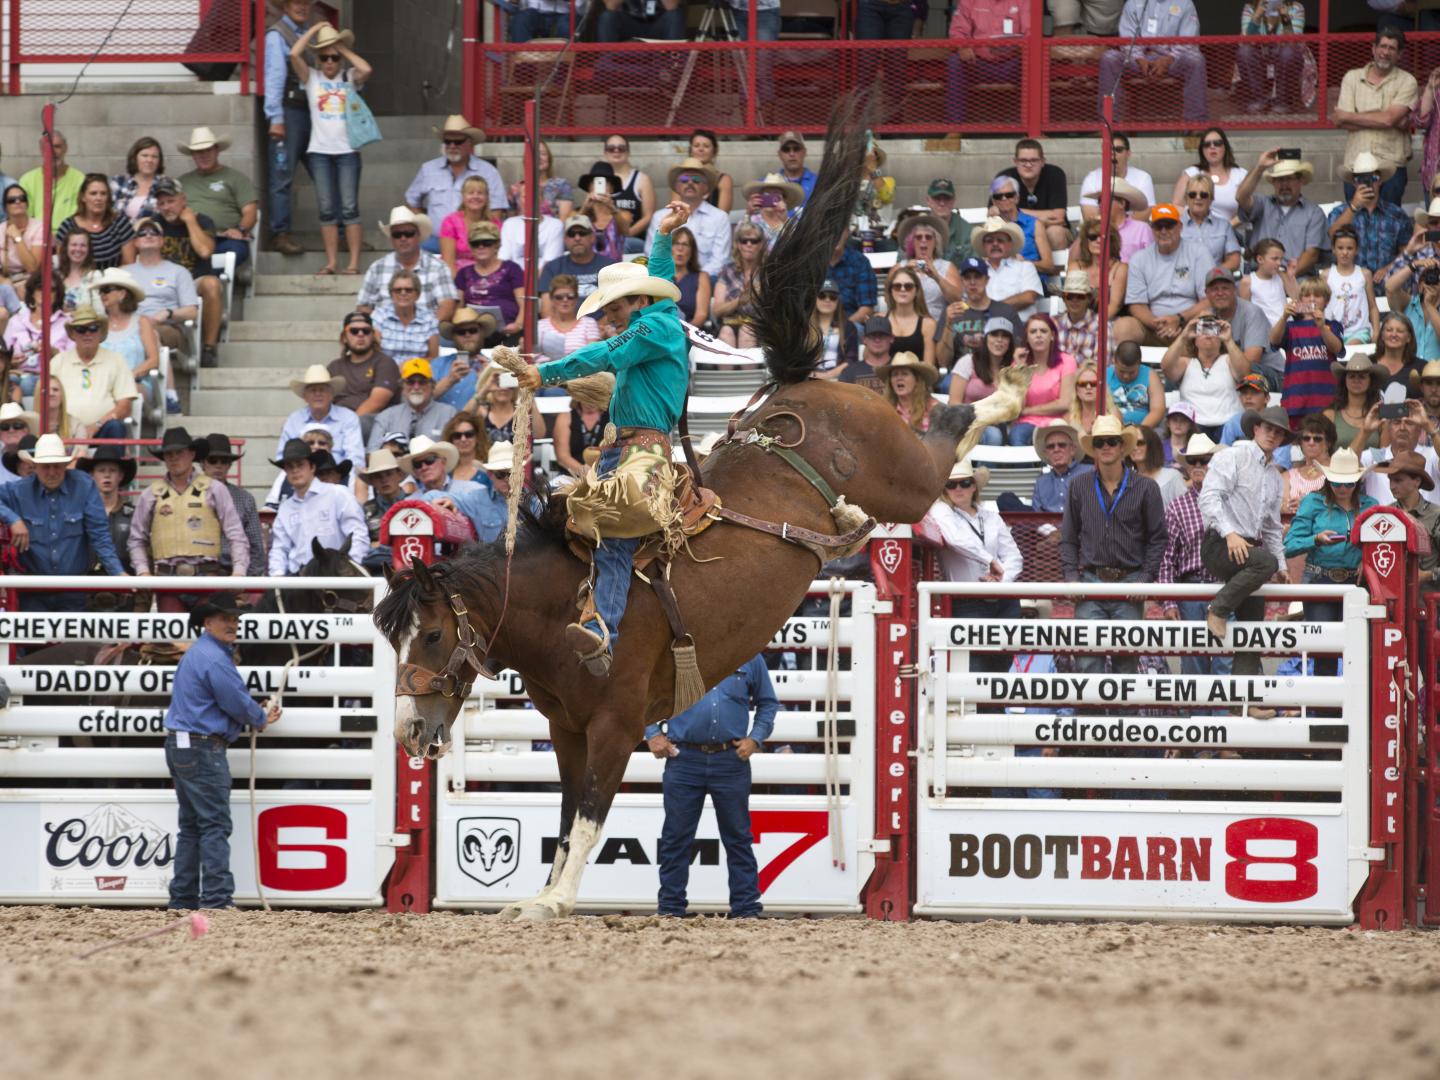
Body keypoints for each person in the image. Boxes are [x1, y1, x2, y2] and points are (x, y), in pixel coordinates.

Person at [514, 201, 692, 674]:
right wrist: (662, 232)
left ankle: (602, 629)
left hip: (641, 455)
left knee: (610, 532)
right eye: (609, 308)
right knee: (576, 523)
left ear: (638, 301)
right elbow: (659, 276)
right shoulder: (660, 317)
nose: (611, 315)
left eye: (615, 306)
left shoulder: (651, 328)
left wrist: (544, 373)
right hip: (625, 452)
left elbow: (603, 354)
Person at [163, 591, 281, 911]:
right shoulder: (215, 658)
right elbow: (234, 699)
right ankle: (216, 898)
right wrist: (259, 717)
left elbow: (228, 699)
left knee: (192, 825)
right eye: (227, 619)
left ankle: (183, 898)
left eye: (235, 619)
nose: (233, 624)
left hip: (182, 743)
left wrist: (252, 714)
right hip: (202, 747)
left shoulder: (201, 654)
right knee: (214, 824)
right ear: (208, 622)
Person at [644, 652, 776, 920]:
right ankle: (671, 908)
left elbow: (768, 703)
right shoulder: (678, 654)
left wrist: (756, 739)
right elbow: (646, 693)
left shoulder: (749, 655)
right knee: (676, 837)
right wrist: (652, 733)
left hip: (726, 758)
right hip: (686, 758)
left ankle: (746, 908)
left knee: (737, 836)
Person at [1059, 416, 1167, 675]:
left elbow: (1158, 538)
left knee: (1127, 660)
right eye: (1099, 442)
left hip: (1130, 582)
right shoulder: (1078, 485)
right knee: (1086, 660)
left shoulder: (1147, 488)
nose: (1105, 446)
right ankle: (1089, 716)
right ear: (1093, 449)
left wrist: (1145, 578)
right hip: (1090, 580)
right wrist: (1072, 577)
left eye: (1112, 441)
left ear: (1122, 447)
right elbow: (1069, 537)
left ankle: (1121, 715)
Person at [1198, 405, 1292, 679]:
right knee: (1266, 562)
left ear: (1283, 439)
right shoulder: (1233, 457)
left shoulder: (1274, 477)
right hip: (1220, 543)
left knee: (1252, 628)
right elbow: (1208, 499)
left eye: (1278, 432)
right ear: (1256, 429)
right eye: (1268, 428)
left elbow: (1273, 527)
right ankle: (1218, 608)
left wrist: (1283, 566)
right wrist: (1230, 534)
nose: (1272, 435)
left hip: (1246, 549)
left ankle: (1245, 701)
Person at [0, 434, 126, 610]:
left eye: (57, 466)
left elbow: (100, 535)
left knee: (71, 637)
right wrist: (13, 519)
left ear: (66, 466)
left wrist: (118, 573)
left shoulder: (84, 486)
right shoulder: (19, 490)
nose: (52, 472)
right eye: (46, 466)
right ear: (34, 466)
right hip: (32, 590)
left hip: (73, 589)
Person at [918, 456, 1023, 666]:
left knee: (1002, 665)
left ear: (974, 486)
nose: (959, 489)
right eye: (951, 484)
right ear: (945, 489)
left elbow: (1014, 557)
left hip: (1003, 598)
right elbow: (956, 539)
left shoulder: (991, 516)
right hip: (967, 601)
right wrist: (990, 560)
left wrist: (1000, 581)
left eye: (965, 483)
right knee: (973, 666)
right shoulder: (940, 511)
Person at [129, 428, 249, 610]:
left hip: (206, 576)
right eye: (169, 454)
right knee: (172, 636)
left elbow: (236, 534)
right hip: (167, 579)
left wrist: (239, 572)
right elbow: (137, 538)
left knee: (208, 630)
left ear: (192, 454)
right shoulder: (150, 494)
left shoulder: (215, 489)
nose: (174, 458)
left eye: (179, 452)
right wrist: (143, 571)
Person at [1284, 449, 1376, 676]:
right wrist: (1315, 539)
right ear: (1328, 479)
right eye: (1337, 483)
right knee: (1324, 651)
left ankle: (1355, 710)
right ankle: (1325, 711)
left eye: (1349, 484)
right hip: (1320, 579)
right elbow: (1291, 544)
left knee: (1359, 650)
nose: (1343, 489)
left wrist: (1366, 559)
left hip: (1356, 582)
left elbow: (1380, 544)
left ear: (1358, 481)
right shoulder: (1312, 502)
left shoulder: (1371, 505)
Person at [289, 23, 371, 277]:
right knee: (327, 209)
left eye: (333, 57)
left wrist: (342, 50)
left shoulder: (349, 78)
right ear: (318, 58)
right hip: (320, 151)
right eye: (324, 57)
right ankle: (332, 262)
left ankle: (354, 264)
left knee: (349, 208)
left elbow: (367, 69)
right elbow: (293, 55)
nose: (329, 62)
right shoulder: (312, 78)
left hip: (347, 151)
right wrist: (315, 30)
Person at [1157, 433, 1230, 676]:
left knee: (1225, 659)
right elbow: (1167, 558)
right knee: (1194, 661)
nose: (1198, 466)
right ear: (1187, 467)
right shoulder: (1177, 506)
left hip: (1226, 587)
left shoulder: (1231, 502)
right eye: (1193, 461)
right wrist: (1168, 602)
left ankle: (1221, 715)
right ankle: (1196, 714)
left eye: (1204, 460)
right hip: (1192, 589)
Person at [1335, 27, 1419, 207]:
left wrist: (1351, 115)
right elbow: (1343, 122)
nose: (1385, 52)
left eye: (1391, 48)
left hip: (1392, 165)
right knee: (1355, 224)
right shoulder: (1352, 78)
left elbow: (1388, 119)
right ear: (1373, 48)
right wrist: (1387, 119)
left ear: (1400, 54)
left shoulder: (1407, 81)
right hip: (1355, 166)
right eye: (1382, 46)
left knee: (1388, 225)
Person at [146, 178, 224, 367]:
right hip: (161, 284)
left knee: (212, 284)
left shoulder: (202, 221)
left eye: (171, 201)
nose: (166, 207)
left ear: (183, 200)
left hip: (193, 281)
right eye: (161, 203)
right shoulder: (153, 225)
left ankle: (209, 348)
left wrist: (189, 221)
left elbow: (205, 251)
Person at [404, 114, 509, 254]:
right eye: (447, 141)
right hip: (436, 240)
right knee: (413, 253)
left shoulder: (488, 171)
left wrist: (483, 236)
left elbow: (497, 211)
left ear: (470, 143)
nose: (452, 146)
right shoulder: (428, 169)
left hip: (475, 242)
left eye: (458, 141)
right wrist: (425, 225)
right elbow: (411, 201)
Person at [267, 438, 369, 574]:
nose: (295, 470)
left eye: (300, 465)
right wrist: (277, 577)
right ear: (285, 471)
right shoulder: (285, 508)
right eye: (290, 467)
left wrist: (349, 568)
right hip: (299, 580)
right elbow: (279, 549)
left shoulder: (337, 494)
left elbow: (357, 534)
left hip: (336, 576)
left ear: (312, 467)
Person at [1098, 0, 1206, 125]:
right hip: (1139, 60)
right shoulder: (1133, 3)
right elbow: (1127, 38)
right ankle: (1108, 126)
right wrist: (1139, 59)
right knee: (1109, 58)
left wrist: (1169, 59)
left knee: (1196, 59)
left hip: (1173, 61)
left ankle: (1195, 128)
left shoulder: (1185, 3)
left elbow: (1188, 41)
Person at [263, 0, 316, 256]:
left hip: (311, 112)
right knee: (282, 175)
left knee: (324, 172)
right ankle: (280, 233)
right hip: (289, 110)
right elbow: (274, 76)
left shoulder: (306, 34)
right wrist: (276, 118)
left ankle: (339, 232)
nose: (302, 7)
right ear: (285, 7)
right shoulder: (277, 35)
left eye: (306, 2)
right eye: (296, 2)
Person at [1124, 204, 1215, 348]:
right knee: (1123, 327)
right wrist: (1160, 325)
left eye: (1169, 226)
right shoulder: (1139, 259)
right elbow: (1136, 305)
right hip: (1153, 328)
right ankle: (1125, 370)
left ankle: (1206, 368)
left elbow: (1209, 299)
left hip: (1189, 324)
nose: (1164, 231)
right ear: (1152, 229)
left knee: (1206, 317)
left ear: (1180, 227)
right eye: (1158, 227)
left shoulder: (1199, 252)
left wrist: (1179, 319)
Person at [94, 266, 178, 416]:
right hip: (102, 383)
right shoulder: (98, 324)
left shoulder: (141, 322)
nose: (102, 294)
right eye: (100, 290)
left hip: (136, 383)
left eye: (106, 289)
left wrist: (127, 377)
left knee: (123, 393)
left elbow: (153, 360)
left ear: (122, 294)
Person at [356, 207, 459, 326]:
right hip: (384, 337)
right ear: (391, 239)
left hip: (426, 334)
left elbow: (447, 305)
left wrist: (425, 330)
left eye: (408, 233)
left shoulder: (438, 267)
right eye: (397, 234)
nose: (403, 238)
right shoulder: (377, 268)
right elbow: (362, 306)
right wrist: (381, 327)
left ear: (418, 236)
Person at [1235, 152, 1330, 278]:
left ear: (1300, 181)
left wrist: (1284, 280)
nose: (1284, 185)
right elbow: (1241, 197)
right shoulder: (1262, 204)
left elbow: (1311, 255)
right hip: (1259, 276)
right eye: (1279, 179)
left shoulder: (1313, 212)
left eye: (1289, 179)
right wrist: (1259, 167)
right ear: (1273, 183)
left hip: (1297, 277)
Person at [175, 126, 257, 269]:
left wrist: (239, 229)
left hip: (225, 238)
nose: (203, 155)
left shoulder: (236, 178)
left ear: (217, 150)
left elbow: (250, 212)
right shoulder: (182, 182)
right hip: (192, 238)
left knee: (235, 251)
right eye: (198, 152)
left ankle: (204, 282)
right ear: (192, 155)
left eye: (208, 150)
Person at [51, 305, 135, 441]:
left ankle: (113, 463)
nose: (87, 334)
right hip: (66, 430)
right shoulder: (58, 361)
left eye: (93, 328)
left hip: (102, 428)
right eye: (80, 329)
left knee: (115, 427)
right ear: (72, 334)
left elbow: (125, 406)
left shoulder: (117, 360)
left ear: (100, 332)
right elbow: (45, 399)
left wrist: (97, 424)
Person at [122, 214, 200, 356]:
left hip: (165, 328)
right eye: (142, 233)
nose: (148, 236)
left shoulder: (179, 271)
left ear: (161, 241)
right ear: (135, 242)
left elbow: (192, 312)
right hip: (130, 327)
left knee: (148, 335)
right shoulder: (123, 273)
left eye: (154, 233)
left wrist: (168, 313)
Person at [1162, 317, 1250, 440]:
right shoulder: (1186, 363)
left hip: (1227, 425)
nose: (1208, 335)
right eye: (1203, 331)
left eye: (1213, 330)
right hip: (1194, 426)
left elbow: (1244, 375)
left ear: (1220, 339)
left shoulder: (1229, 360)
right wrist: (1183, 336)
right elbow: (1166, 368)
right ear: (1195, 340)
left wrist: (1229, 340)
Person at [1327, 153, 1411, 279]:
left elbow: (1407, 251)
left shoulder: (1397, 215)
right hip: (1350, 284)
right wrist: (1354, 207)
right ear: (1354, 183)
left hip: (1386, 283)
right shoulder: (1339, 213)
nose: (1368, 184)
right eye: (1361, 179)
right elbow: (1332, 235)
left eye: (1373, 178)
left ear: (1381, 180)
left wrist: (1390, 267)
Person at [945, 0, 1027, 125]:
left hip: (1013, 62)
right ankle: (955, 128)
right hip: (980, 63)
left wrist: (1023, 47)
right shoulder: (968, 2)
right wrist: (963, 46)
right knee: (955, 61)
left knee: (1034, 62)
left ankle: (1031, 126)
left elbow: (1031, 31)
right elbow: (958, 31)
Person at [1276, 280, 1346, 425]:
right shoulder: (1289, 327)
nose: (1312, 299)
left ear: (1326, 301)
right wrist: (1283, 317)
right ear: (1300, 300)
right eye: (1307, 295)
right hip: (1295, 400)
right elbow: (1273, 340)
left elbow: (1337, 349)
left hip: (1326, 400)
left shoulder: (1332, 325)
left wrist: (1321, 327)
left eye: (1318, 295)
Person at [647, 159, 732, 276]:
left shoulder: (720, 217)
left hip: (706, 279)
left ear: (706, 187)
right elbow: (651, 254)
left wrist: (696, 279)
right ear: (676, 186)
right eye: (684, 180)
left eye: (696, 180)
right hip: (667, 278)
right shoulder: (660, 217)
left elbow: (720, 260)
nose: (690, 183)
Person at [200, 433, 266, 578]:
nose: (218, 465)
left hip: (235, 573)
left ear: (229, 465)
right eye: (213, 460)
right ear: (202, 463)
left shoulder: (245, 499)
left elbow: (257, 547)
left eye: (223, 461)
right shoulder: (188, 497)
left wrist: (246, 583)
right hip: (198, 572)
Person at [421, 440, 515, 542]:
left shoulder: (533, 501)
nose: (507, 479)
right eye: (500, 474)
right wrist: (446, 499)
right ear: (490, 475)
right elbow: (429, 497)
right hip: (495, 557)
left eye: (511, 473)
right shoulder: (477, 499)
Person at [279, 363, 366, 474]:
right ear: (305, 396)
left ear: (331, 394)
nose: (318, 394)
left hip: (339, 477)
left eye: (322, 389)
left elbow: (355, 458)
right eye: (313, 390)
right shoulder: (294, 420)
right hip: (302, 478)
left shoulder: (348, 418)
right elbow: (283, 456)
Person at [937, 258, 1018, 371]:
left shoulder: (1006, 311)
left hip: (997, 373)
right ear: (962, 281)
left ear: (987, 280)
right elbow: (942, 361)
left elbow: (1017, 353)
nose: (972, 282)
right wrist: (948, 324)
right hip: (960, 374)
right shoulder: (951, 312)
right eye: (967, 277)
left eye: (977, 277)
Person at [1010, 314, 1076, 447]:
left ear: (1052, 335)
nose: (1038, 335)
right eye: (1033, 331)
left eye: (1043, 331)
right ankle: (1026, 468)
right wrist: (1020, 369)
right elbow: (1018, 408)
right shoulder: (1017, 365)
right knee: (1017, 435)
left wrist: (1028, 411)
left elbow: (1064, 403)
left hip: (1058, 421)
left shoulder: (1067, 361)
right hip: (1026, 424)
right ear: (1027, 338)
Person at [947, 316, 1016, 445]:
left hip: (999, 425)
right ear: (985, 338)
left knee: (999, 434)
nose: (999, 340)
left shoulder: (1013, 368)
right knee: (993, 436)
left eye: (1005, 336)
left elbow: (1016, 407)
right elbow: (954, 403)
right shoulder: (968, 361)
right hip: (966, 422)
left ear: (1010, 342)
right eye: (994, 335)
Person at [77, 444, 138, 585]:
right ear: (91, 475)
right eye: (101, 470)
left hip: (125, 584)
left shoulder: (133, 515)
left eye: (112, 470)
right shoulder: (79, 514)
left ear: (121, 475)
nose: (107, 475)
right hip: (85, 585)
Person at [365, 358, 457, 450]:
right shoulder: (387, 417)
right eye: (410, 382)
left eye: (422, 382)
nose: (416, 387)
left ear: (432, 385)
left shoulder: (449, 415)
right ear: (402, 386)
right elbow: (372, 454)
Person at [1379, 451, 1440, 587]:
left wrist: (1428, 575)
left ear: (1416, 481)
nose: (1392, 486)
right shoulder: (1385, 515)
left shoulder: (1436, 515)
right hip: (1391, 601)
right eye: (1390, 480)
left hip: (1427, 603)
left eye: (1398, 480)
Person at [454, 221, 524, 341]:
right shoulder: (463, 273)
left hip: (508, 331)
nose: (481, 247)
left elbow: (524, 303)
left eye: (487, 243)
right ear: (471, 247)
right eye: (476, 243)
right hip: (473, 333)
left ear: (496, 245)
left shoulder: (512, 268)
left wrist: (518, 324)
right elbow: (458, 307)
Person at [328, 310, 399, 425]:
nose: (360, 334)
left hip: (372, 423)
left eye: (366, 331)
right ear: (344, 337)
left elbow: (377, 403)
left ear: (373, 336)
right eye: (354, 331)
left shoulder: (385, 363)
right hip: (337, 422)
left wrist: (349, 427)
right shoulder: (334, 367)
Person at [998, 138, 1070, 252]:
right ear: (1015, 162)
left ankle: (1052, 270)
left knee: (1056, 232)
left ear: (1042, 162)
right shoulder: (1005, 178)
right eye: (1023, 160)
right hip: (1017, 228)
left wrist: (1013, 211)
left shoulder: (1055, 174)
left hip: (1049, 229)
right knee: (1005, 232)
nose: (1028, 165)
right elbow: (994, 211)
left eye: (1034, 160)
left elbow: (1058, 216)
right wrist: (1043, 219)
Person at [1236, 0, 1307, 114]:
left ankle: (1282, 103)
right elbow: (1247, 41)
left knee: (1287, 53)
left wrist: (1284, 16)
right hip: (1258, 50)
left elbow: (1293, 42)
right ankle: (1258, 102)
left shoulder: (1296, 8)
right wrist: (1257, 15)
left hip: (1284, 50)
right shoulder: (1250, 8)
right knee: (1244, 52)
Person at [55, 173, 136, 271]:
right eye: (93, 193)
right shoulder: (67, 227)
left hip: (115, 282)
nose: (99, 198)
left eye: (103, 193)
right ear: (83, 197)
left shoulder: (121, 224)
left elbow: (129, 264)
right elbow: (64, 266)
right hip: (79, 283)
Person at [1362, 404, 1440, 502]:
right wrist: (1365, 431)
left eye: (1409, 423)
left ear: (1420, 430)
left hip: (1427, 517)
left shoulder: (1432, 455)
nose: (1402, 428)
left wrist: (1429, 427)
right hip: (1381, 517)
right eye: (1397, 422)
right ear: (1388, 428)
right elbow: (1345, 470)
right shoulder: (1372, 456)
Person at [1172, 128, 1250, 225]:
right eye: (1207, 144)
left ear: (1225, 147)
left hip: (1231, 231)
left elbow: (1249, 209)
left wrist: (1226, 227)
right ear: (1202, 150)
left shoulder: (1240, 175)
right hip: (1195, 230)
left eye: (1217, 143)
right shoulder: (1191, 173)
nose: (1212, 147)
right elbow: (1176, 206)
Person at [539, 216, 616, 312]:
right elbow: (547, 310)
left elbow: (617, 306)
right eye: (571, 234)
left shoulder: (611, 267)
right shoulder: (552, 268)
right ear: (565, 240)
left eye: (582, 233)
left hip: (604, 325)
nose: (577, 238)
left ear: (592, 237)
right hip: (564, 325)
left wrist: (597, 326)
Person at [974, 217, 1041, 321]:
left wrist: (991, 310)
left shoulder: (1025, 267)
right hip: (985, 330)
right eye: (989, 241)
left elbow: (1028, 298)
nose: (995, 244)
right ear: (984, 246)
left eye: (1000, 240)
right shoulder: (976, 272)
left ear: (1010, 244)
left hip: (1020, 330)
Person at [1080, 133, 1156, 222]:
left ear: (1128, 154)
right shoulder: (1091, 179)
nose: (1113, 153)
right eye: (1108, 150)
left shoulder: (1143, 178)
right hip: (1100, 234)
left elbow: (1142, 217)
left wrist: (1121, 230)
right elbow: (1091, 219)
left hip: (1131, 234)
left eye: (1118, 150)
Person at [896, 214, 962, 316]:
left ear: (936, 242)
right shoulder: (901, 266)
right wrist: (905, 273)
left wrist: (936, 277)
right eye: (918, 237)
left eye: (928, 237)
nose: (923, 240)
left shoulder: (947, 267)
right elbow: (889, 298)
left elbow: (958, 299)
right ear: (911, 242)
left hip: (938, 323)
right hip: (907, 322)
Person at [713, 222, 766, 348]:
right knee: (726, 333)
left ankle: (749, 369)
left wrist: (761, 296)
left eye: (754, 241)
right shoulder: (727, 271)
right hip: (729, 324)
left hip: (759, 327)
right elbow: (717, 311)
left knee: (746, 332)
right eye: (744, 240)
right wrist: (739, 301)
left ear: (761, 245)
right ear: (737, 244)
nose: (748, 244)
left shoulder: (768, 273)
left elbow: (775, 310)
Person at [1326, 226, 1381, 346]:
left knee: (1351, 347)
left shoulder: (1364, 274)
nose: (1345, 252)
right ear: (1333, 249)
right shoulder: (1326, 275)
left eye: (1350, 248)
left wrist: (1376, 332)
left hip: (1359, 331)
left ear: (1356, 250)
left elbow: (1372, 307)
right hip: (1332, 331)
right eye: (1340, 248)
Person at [987, 174, 1054, 272]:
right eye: (998, 196)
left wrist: (1023, 263)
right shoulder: (990, 226)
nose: (1004, 199)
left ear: (1017, 198)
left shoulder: (1034, 224)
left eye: (1009, 195)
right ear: (993, 201)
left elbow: (1048, 265)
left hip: (1031, 280)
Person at [19, 129, 84, 230]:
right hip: (37, 238)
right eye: (48, 148)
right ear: (41, 150)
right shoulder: (27, 180)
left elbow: (79, 218)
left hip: (69, 238)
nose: (53, 152)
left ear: (66, 148)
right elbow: (24, 218)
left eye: (57, 147)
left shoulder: (80, 179)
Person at [439, 177, 503, 275]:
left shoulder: (496, 224)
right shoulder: (450, 222)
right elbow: (449, 262)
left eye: (480, 193)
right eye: (471, 193)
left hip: (490, 275)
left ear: (487, 197)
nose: (475, 196)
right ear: (463, 197)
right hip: (458, 275)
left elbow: (498, 258)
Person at [1072, 220, 1133, 322]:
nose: (1098, 240)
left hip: (1110, 323)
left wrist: (1094, 325)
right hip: (1080, 322)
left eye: (1103, 237)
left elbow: (1115, 305)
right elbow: (1073, 302)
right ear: (1086, 241)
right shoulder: (1076, 266)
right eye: (1092, 237)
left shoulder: (1121, 268)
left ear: (1112, 241)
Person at [1325, 354, 1387, 455]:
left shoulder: (1382, 416)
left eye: (1362, 376)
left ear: (1371, 381)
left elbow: (1385, 458)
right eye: (1351, 376)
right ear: (1344, 380)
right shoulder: (1329, 415)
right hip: (1335, 470)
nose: (1356, 380)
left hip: (1372, 470)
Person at [1179, 174, 1242, 272]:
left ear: (1211, 198)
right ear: (1186, 198)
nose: (1198, 198)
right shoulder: (1175, 226)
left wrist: (1213, 274)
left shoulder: (1223, 226)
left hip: (1215, 281)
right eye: (1192, 194)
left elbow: (1234, 260)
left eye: (1204, 195)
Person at [373, 269, 440, 360]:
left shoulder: (429, 319)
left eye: (408, 290)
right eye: (398, 290)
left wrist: (409, 367)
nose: (403, 293)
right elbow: (374, 353)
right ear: (391, 294)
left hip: (418, 371)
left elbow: (433, 357)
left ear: (417, 294)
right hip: (385, 371)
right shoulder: (379, 316)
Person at [538, 275, 604, 368]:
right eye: (559, 297)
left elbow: (592, 356)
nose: (565, 300)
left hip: (579, 375)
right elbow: (534, 357)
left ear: (576, 299)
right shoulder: (539, 326)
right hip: (545, 376)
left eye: (570, 296)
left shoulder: (589, 323)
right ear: (552, 299)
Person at [358, 449, 407, 571]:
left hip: (410, 572)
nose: (384, 480)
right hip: (377, 573)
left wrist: (380, 545)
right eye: (377, 476)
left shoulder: (414, 504)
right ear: (372, 481)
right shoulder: (365, 510)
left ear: (399, 475)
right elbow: (361, 550)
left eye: (388, 473)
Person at [497, 180, 563, 268]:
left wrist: (531, 281)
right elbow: (504, 258)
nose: (530, 201)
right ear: (519, 200)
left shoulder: (555, 225)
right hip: (515, 278)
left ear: (542, 199)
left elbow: (550, 263)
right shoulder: (509, 224)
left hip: (544, 279)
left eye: (534, 196)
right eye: (525, 197)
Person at [1030, 423, 1093, 513]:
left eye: (1062, 445)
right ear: (1046, 453)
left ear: (1072, 449)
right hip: (1049, 526)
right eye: (1051, 446)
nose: (1056, 449)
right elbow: (1036, 518)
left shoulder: (1091, 472)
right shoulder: (1041, 483)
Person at [1105, 340, 1164, 429]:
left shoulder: (1150, 376)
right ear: (1114, 361)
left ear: (1139, 363)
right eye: (1121, 371)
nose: (1126, 376)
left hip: (1143, 430)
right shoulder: (1105, 375)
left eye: (1131, 372)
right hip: (1110, 430)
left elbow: (1157, 410)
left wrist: (1140, 431)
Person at [825, 228, 877, 325]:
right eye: (829, 232)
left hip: (851, 324)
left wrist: (843, 330)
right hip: (816, 326)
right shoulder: (811, 262)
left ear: (847, 233)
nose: (835, 236)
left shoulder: (860, 261)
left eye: (839, 231)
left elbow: (867, 309)